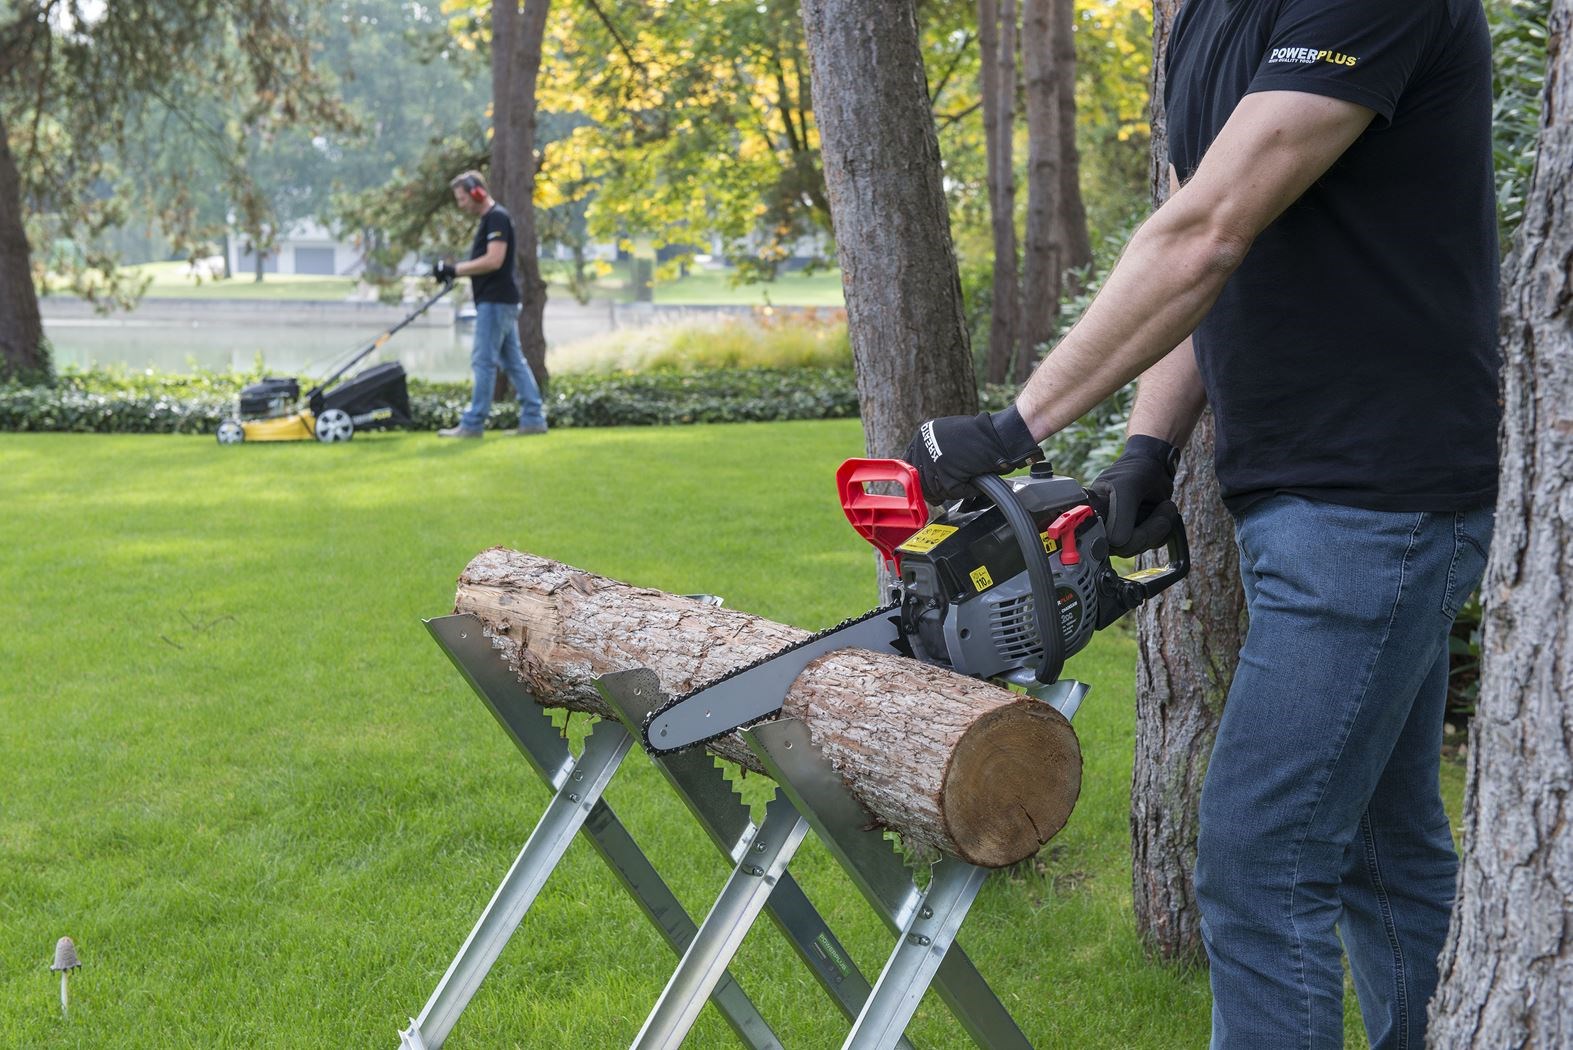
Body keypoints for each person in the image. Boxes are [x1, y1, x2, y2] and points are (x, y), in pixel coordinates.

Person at [905, 0, 1498, 1047]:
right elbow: (1209, 229)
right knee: (1375, 843)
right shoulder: (1207, 19)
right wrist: (1149, 450)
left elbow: (1206, 231)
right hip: (1307, 495)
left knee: (1261, 856)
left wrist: (1013, 426)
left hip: (1375, 500)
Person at [434, 171, 548, 438]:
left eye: (462, 199)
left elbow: (494, 260)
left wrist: (454, 269)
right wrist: (454, 271)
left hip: (496, 302)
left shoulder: (497, 217)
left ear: (477, 193)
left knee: (483, 361)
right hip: (499, 301)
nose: (461, 205)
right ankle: (533, 418)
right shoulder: (491, 219)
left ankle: (473, 424)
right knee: (514, 363)